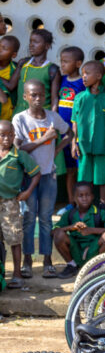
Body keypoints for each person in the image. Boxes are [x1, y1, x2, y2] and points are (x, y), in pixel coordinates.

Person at [12, 79, 71, 279]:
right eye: (33, 95)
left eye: (41, 95)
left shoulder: (53, 117)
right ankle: (27, 260)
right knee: (28, 218)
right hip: (27, 177)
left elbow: (69, 133)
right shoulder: (20, 119)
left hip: (48, 175)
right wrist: (44, 139)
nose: (38, 99)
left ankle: (47, 260)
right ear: (25, 97)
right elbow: (19, 148)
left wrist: (56, 150)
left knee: (45, 218)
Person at [0, 120, 40, 289]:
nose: (6, 138)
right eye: (2, 135)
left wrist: (28, 192)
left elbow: (36, 173)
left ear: (14, 135)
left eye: (10, 135)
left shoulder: (18, 155)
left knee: (14, 239)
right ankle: (2, 272)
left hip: (10, 203)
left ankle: (17, 274)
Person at [71, 61, 105, 205]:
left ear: (98, 76)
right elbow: (75, 123)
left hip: (102, 146)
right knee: (84, 178)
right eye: (82, 74)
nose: (83, 77)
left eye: (87, 74)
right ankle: (86, 206)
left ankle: (104, 206)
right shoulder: (79, 98)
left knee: (103, 178)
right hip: (84, 146)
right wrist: (74, 143)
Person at [53, 181, 105, 279]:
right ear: (74, 198)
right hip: (76, 251)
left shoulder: (100, 212)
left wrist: (91, 230)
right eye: (80, 195)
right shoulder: (69, 214)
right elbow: (53, 232)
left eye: (87, 195)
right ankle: (72, 265)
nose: (84, 198)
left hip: (94, 250)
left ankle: (97, 267)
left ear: (92, 196)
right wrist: (71, 227)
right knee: (59, 234)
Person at [2, 29, 61, 115]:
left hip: (41, 115)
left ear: (47, 46)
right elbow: (11, 86)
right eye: (30, 41)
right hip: (20, 113)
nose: (31, 45)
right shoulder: (23, 63)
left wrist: (53, 119)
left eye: (36, 42)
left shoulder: (52, 70)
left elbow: (54, 99)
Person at [55, 46, 85, 208]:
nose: (63, 65)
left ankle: (83, 203)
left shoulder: (83, 82)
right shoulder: (61, 80)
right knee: (68, 171)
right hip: (63, 133)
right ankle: (71, 203)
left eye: (66, 62)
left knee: (78, 170)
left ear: (78, 63)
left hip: (77, 133)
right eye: (61, 61)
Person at [0, 35, 19, 121]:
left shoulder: (16, 69)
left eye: (4, 48)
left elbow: (12, 87)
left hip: (10, 118)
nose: (0, 50)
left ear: (13, 54)